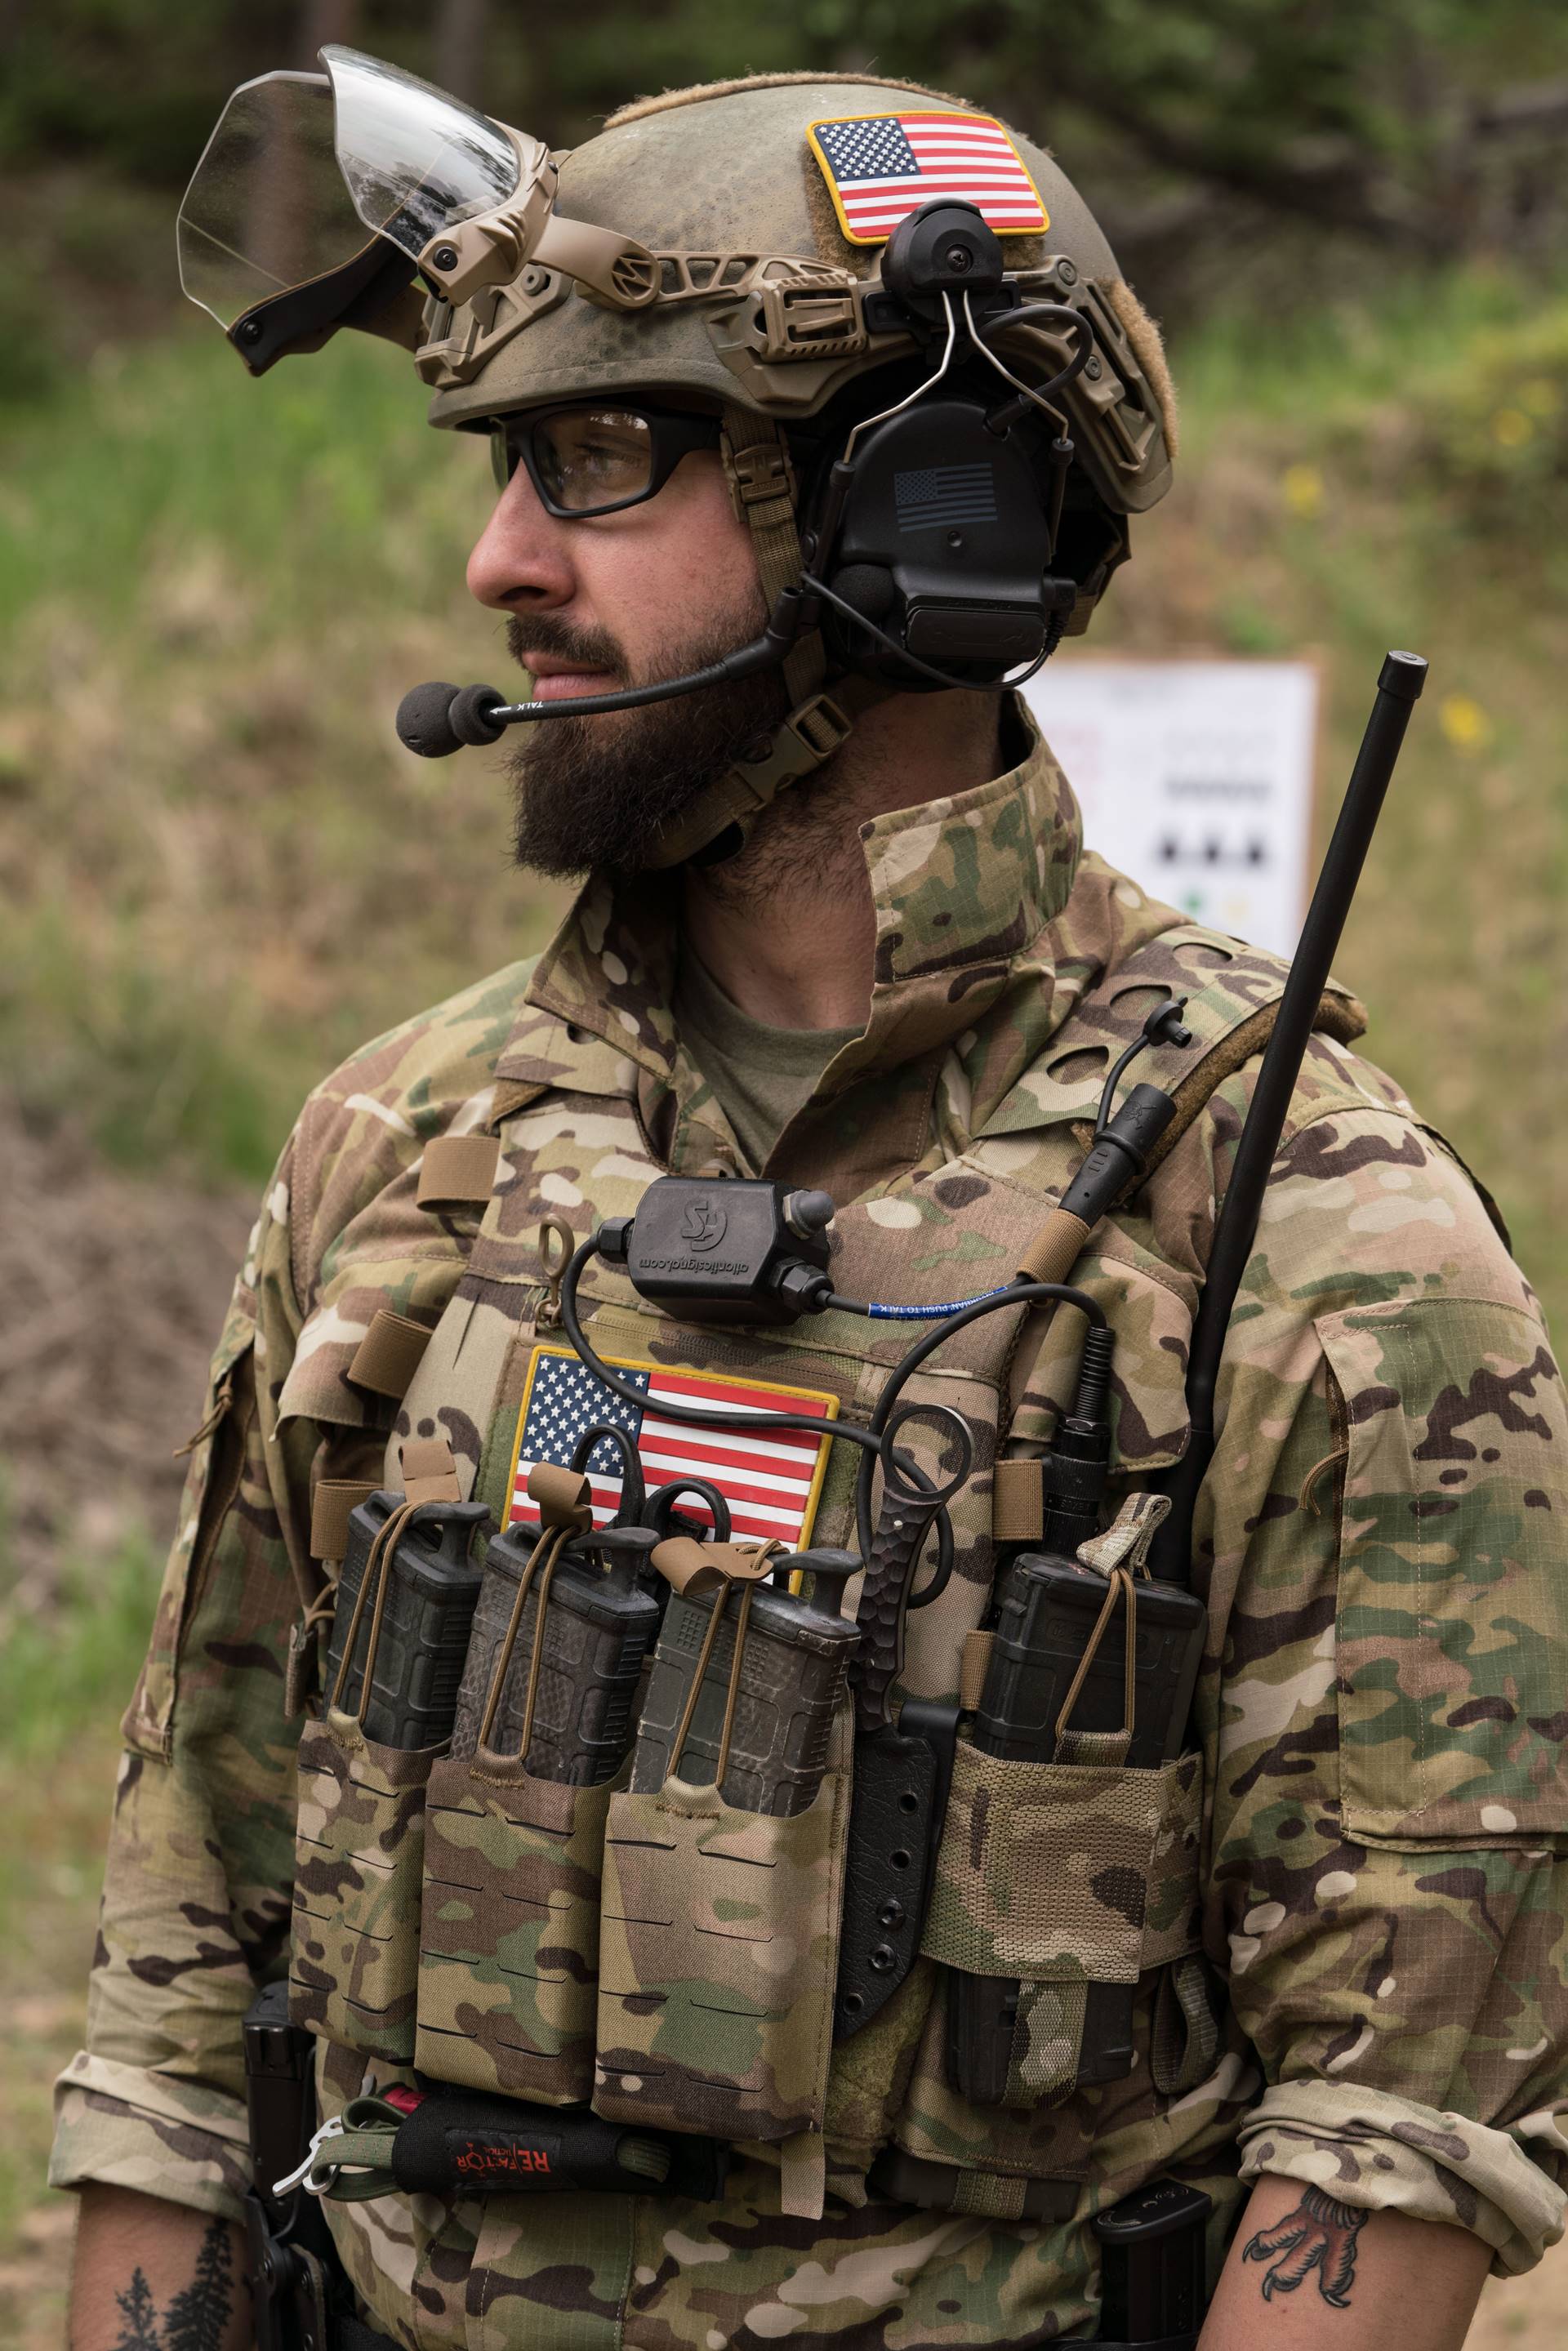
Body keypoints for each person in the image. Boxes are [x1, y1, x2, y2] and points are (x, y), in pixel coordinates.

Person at [56, 55, 1568, 2351]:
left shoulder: (1313, 1240)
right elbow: (184, 2004)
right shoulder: (407, 1150)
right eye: (503, 471)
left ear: (916, 514)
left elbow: (1394, 2122)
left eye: (596, 462)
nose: (500, 566)